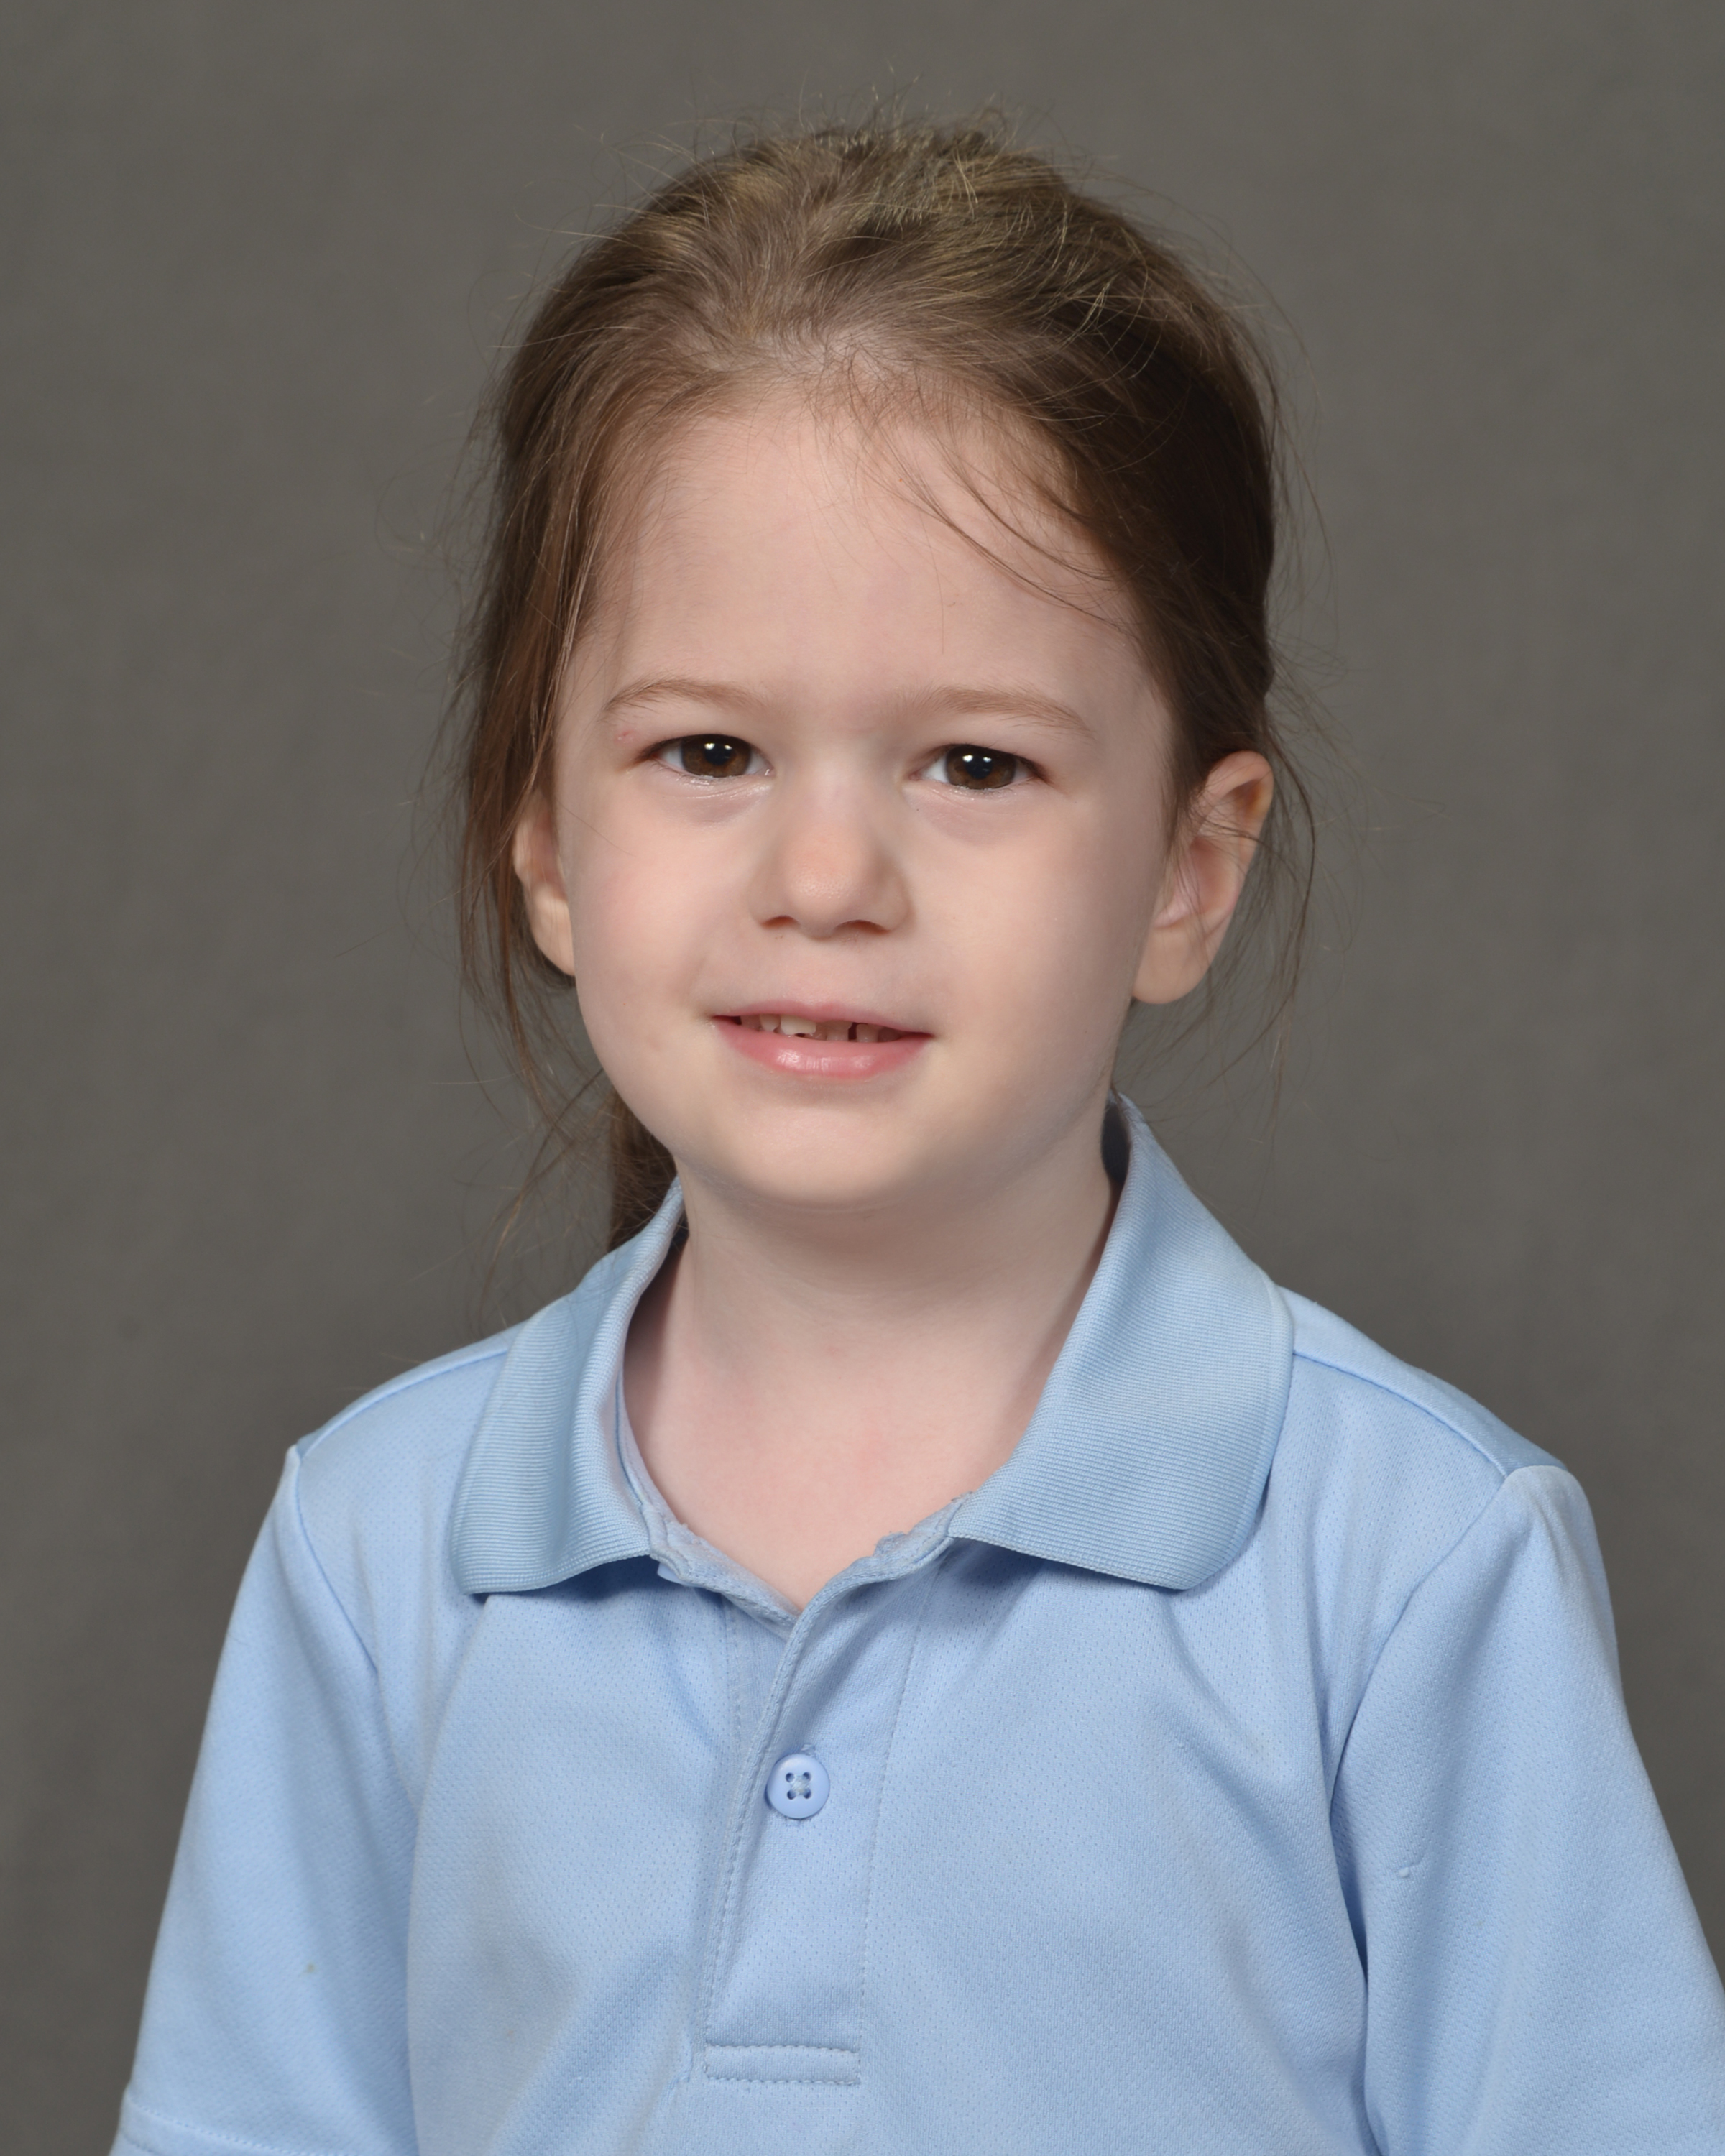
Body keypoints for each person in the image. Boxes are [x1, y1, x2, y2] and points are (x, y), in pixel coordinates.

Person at [112, 119, 1725, 2156]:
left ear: (1191, 867)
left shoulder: (1407, 1566)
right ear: (546, 842)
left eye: (974, 763)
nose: (825, 879)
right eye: (708, 749)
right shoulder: (377, 1547)